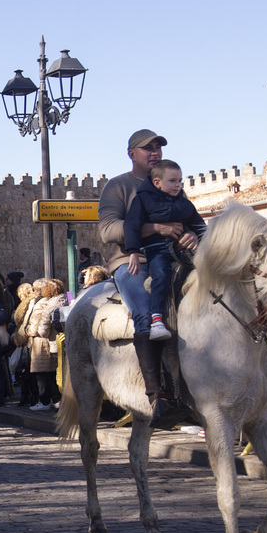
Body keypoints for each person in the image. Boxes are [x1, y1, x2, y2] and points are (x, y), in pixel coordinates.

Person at [98, 129, 199, 406]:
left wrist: (191, 233)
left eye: (158, 147)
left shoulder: (171, 185)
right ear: (132, 154)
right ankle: (157, 394)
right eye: (147, 148)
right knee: (145, 312)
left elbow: (189, 220)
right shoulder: (118, 186)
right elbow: (108, 230)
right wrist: (155, 228)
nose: (155, 152)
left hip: (173, 259)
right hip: (132, 262)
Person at [122, 159, 206, 341]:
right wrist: (133, 252)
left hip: (182, 253)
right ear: (157, 182)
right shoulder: (143, 200)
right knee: (161, 276)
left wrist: (200, 238)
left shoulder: (184, 204)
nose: (178, 185)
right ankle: (157, 319)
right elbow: (132, 225)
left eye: (180, 181)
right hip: (157, 251)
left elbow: (200, 226)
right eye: (173, 181)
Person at [28, 279, 68, 412]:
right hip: (68, 339)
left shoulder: (49, 305)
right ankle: (61, 400)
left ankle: (56, 400)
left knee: (56, 373)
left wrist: (33, 332)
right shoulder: (68, 297)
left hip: (54, 342)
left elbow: (43, 330)